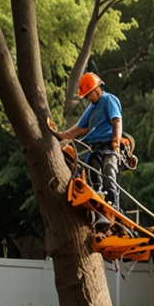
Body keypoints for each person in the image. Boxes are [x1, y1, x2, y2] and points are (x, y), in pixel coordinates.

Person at [52, 72, 124, 231]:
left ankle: (113, 205)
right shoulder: (91, 108)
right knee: (93, 173)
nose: (87, 99)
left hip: (108, 146)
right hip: (94, 147)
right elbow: (78, 129)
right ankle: (98, 204)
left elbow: (116, 121)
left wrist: (116, 142)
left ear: (96, 89)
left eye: (87, 95)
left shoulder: (108, 100)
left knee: (108, 171)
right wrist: (60, 136)